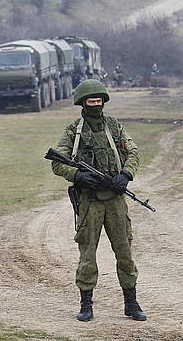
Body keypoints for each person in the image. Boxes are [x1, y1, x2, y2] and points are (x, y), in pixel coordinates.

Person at [50, 79, 146, 322]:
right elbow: (57, 162)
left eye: (99, 101)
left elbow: (133, 152)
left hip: (115, 200)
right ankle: (86, 304)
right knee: (88, 253)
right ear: (82, 103)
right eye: (91, 101)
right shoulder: (74, 132)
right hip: (90, 201)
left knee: (124, 251)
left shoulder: (114, 127)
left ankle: (131, 302)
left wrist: (125, 175)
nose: (96, 105)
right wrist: (79, 175)